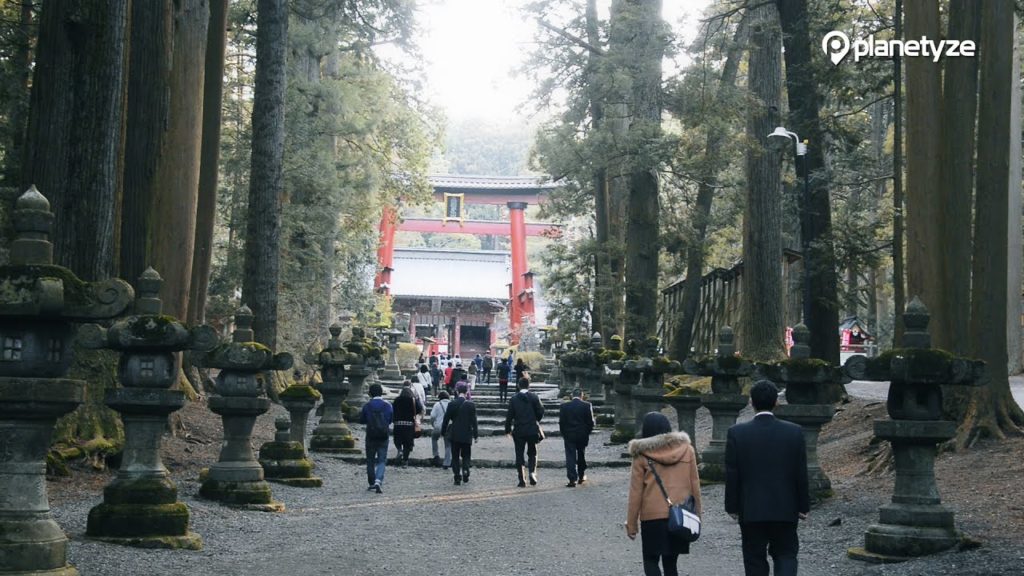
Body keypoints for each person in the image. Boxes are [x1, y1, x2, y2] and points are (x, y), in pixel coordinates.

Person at [725, 380, 809, 576]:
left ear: (752, 402)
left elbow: (732, 473)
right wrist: (803, 506)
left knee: (754, 558)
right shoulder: (794, 432)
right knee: (786, 555)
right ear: (776, 402)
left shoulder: (737, 433)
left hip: (751, 507)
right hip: (785, 506)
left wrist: (732, 506)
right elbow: (800, 472)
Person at [625, 412, 703, 576]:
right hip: (679, 515)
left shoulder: (641, 454)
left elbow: (636, 492)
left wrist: (632, 524)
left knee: (650, 560)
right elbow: (695, 485)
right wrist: (697, 515)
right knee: (671, 564)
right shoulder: (687, 450)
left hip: (651, 517)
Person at [504, 377, 545, 487]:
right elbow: (541, 411)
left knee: (519, 454)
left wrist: (508, 430)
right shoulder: (534, 397)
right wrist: (535, 419)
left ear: (518, 385)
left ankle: (522, 479)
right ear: (529, 386)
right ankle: (532, 472)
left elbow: (509, 416)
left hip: (519, 430)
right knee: (532, 453)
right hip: (532, 429)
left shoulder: (514, 399)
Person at [441, 383, 478, 485]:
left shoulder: (452, 404)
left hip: (455, 433)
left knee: (455, 456)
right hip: (467, 433)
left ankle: (457, 476)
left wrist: (443, 432)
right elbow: (474, 421)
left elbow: (446, 419)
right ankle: (465, 469)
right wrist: (476, 435)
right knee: (466, 455)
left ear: (457, 392)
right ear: (466, 393)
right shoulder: (471, 405)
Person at [359, 383, 393, 493]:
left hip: (371, 435)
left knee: (370, 460)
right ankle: (379, 480)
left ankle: (372, 482)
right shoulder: (387, 405)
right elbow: (390, 420)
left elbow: (362, 420)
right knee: (382, 460)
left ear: (370, 393)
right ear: (381, 392)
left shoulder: (367, 406)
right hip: (383, 435)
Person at [559, 387, 595, 487]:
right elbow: (591, 422)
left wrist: (564, 433)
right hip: (582, 434)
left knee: (570, 456)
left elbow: (561, 422)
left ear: (572, 396)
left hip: (569, 434)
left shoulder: (564, 406)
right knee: (581, 454)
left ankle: (572, 479)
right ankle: (581, 475)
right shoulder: (587, 405)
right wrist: (587, 432)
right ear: (581, 395)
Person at [391, 384, 423, 466]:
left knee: (397, 440)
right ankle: (405, 460)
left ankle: (399, 450)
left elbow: (392, 410)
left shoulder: (397, 400)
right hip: (409, 425)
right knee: (407, 444)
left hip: (398, 424)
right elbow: (419, 409)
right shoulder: (413, 400)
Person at [430, 390, 453, 468]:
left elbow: (432, 416)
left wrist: (433, 424)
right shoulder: (451, 404)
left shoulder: (437, 404)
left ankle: (436, 455)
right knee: (448, 445)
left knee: (434, 438)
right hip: (448, 427)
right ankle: (447, 462)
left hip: (438, 426)